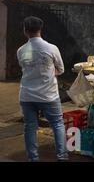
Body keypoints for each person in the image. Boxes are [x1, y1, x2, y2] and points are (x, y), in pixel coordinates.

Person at [17, 16, 68, 162]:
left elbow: (25, 68)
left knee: (30, 127)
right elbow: (61, 69)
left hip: (26, 95)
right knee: (57, 124)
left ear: (25, 31)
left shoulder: (21, 50)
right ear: (40, 29)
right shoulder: (51, 48)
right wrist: (48, 72)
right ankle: (62, 157)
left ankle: (33, 158)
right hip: (48, 95)